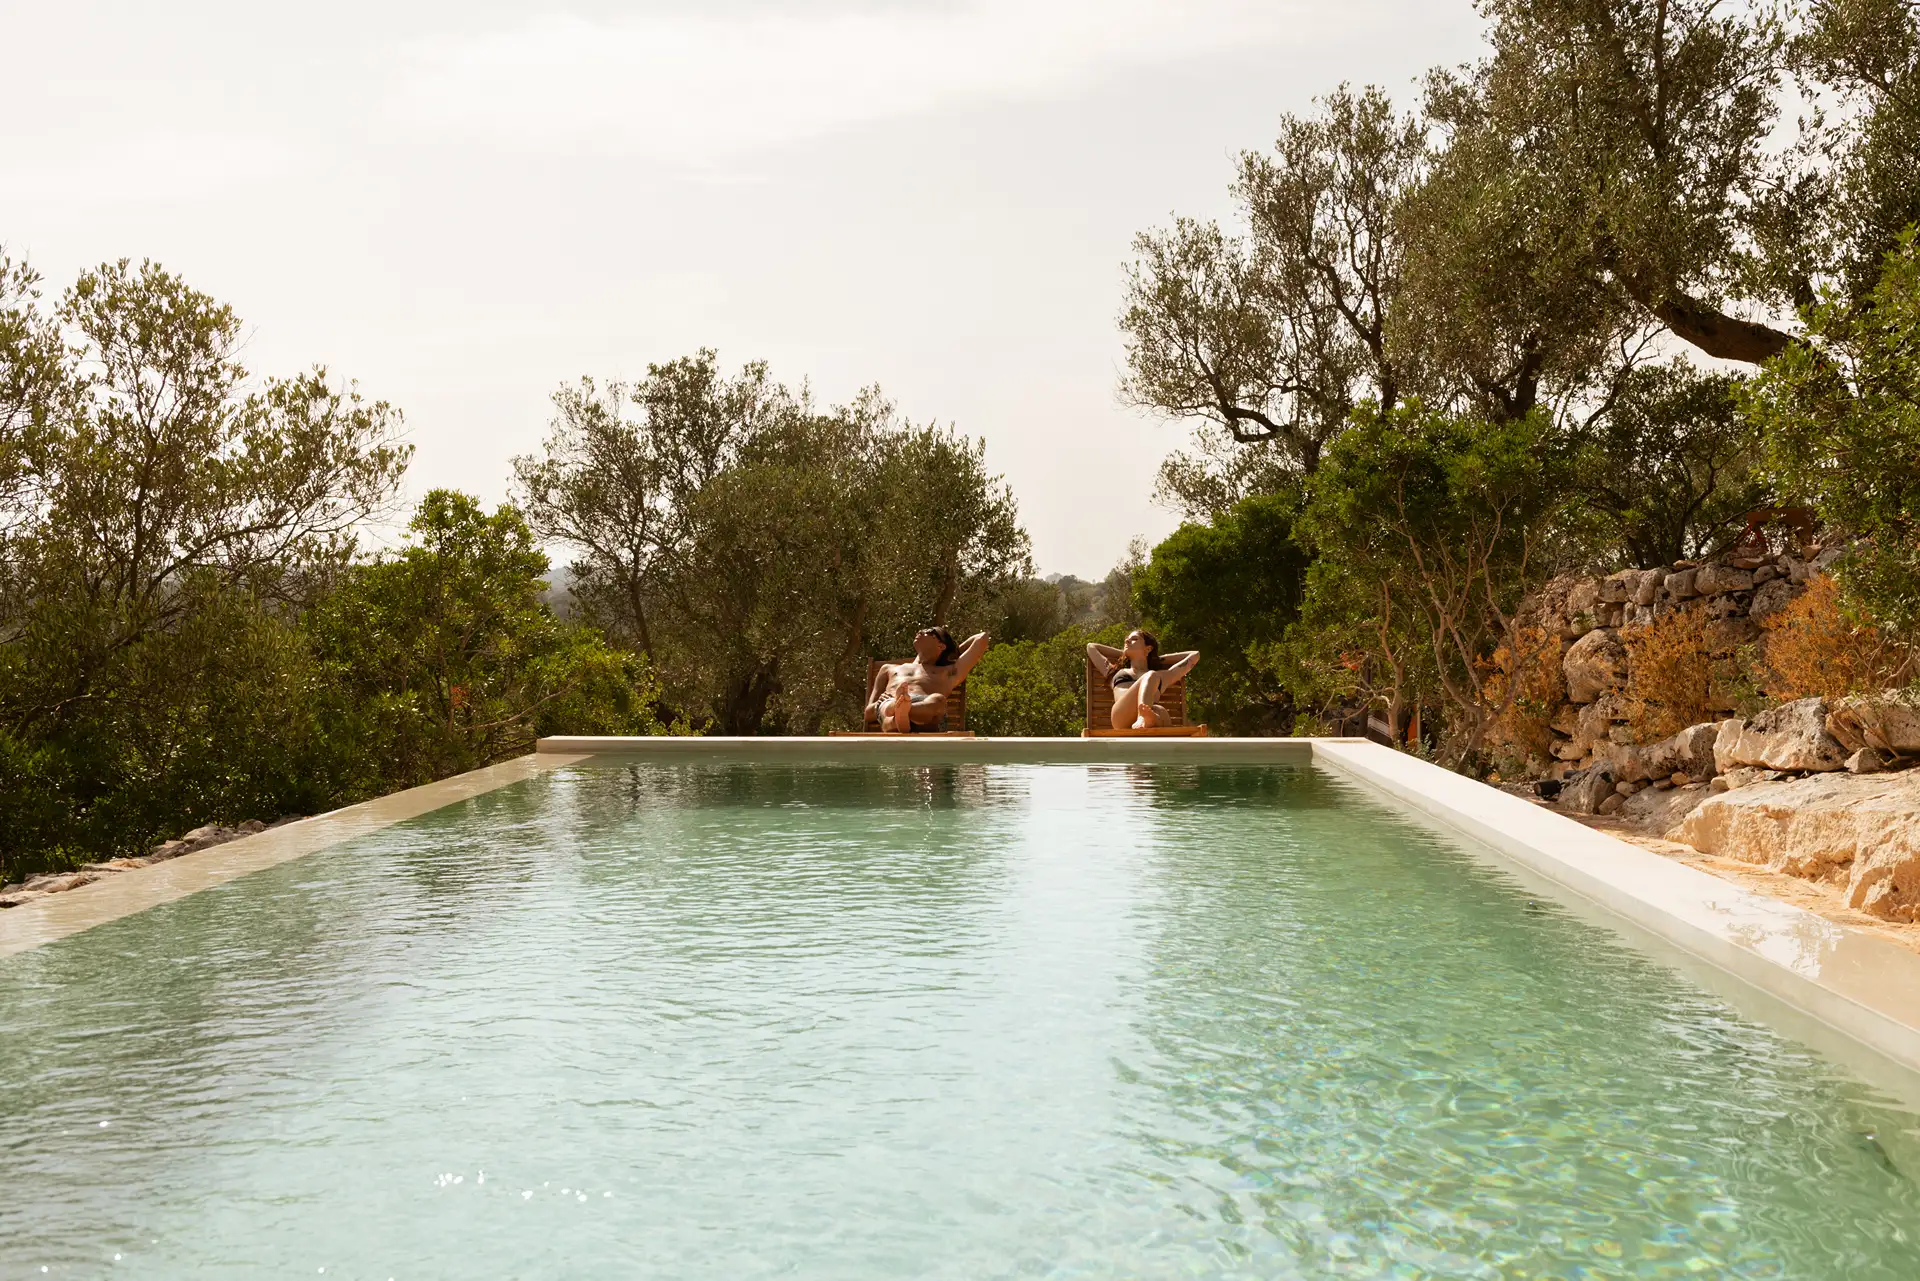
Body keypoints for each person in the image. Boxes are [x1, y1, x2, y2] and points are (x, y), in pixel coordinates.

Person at [867, 626, 990, 733]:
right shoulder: (888, 669)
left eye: (929, 631)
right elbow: (868, 714)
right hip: (891, 704)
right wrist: (885, 703)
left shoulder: (949, 671)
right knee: (886, 707)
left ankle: (902, 711)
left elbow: (982, 638)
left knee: (938, 699)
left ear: (941, 645)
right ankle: (900, 712)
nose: (920, 631)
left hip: (925, 709)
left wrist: (953, 653)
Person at [1088, 630, 1199, 730]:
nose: (1127, 641)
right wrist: (1125, 653)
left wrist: (1157, 658)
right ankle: (1143, 716)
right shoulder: (1113, 671)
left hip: (1150, 714)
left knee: (1160, 710)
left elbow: (1194, 655)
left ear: (1148, 648)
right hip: (1122, 717)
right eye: (1127, 639)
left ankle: (1150, 719)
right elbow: (1091, 647)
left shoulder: (1162, 676)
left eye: (1134, 639)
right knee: (1150, 676)